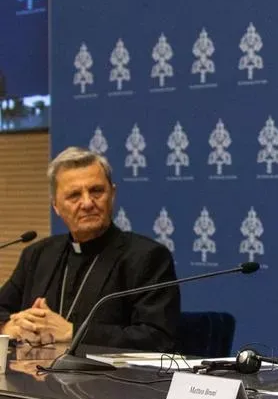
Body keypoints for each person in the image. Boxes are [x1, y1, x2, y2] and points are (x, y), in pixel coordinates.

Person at [0, 147, 180, 350]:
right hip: (33, 378)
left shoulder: (146, 257)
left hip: (108, 380)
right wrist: (9, 326)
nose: (87, 203)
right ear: (56, 206)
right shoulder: (38, 255)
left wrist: (72, 332)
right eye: (74, 195)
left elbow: (157, 337)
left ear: (112, 194)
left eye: (96, 191)